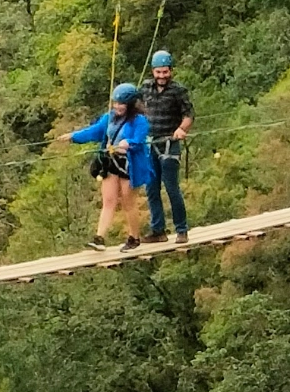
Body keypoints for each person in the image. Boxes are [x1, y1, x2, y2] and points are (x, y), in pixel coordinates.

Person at [57, 83, 150, 251]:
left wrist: (128, 143)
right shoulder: (109, 118)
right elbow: (94, 131)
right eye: (115, 103)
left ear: (130, 104)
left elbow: (140, 140)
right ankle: (99, 238)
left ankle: (134, 237)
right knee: (108, 201)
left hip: (129, 165)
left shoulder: (139, 121)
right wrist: (73, 137)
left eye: (121, 104)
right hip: (111, 162)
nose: (117, 106)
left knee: (128, 202)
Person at [136, 50, 193, 244]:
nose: (162, 76)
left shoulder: (178, 90)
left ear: (171, 71)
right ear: (153, 71)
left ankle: (181, 229)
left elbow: (188, 115)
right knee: (151, 188)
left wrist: (181, 129)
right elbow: (136, 108)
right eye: (158, 72)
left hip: (170, 143)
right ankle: (158, 230)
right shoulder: (145, 88)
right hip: (150, 144)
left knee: (171, 187)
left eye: (165, 72)